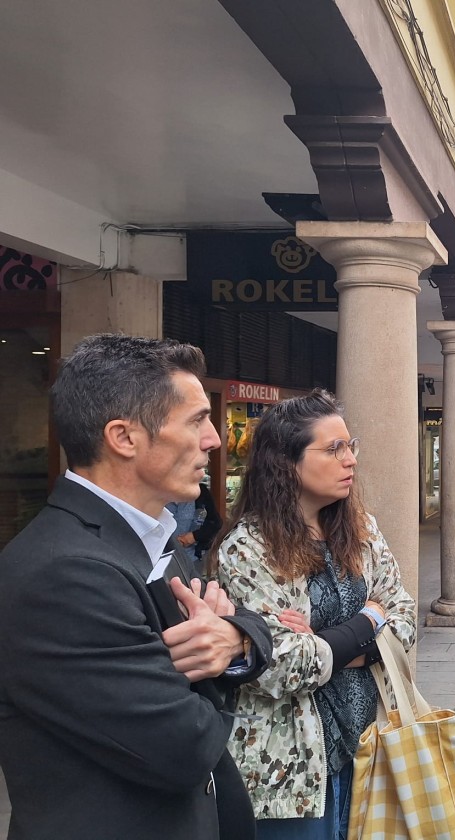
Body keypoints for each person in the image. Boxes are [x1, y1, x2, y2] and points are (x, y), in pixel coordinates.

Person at [0, 333, 272, 840]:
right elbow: (183, 746)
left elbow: (242, 623)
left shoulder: (153, 535)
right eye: (196, 420)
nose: (213, 440)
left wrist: (234, 641)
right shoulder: (65, 574)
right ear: (124, 437)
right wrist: (217, 662)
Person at [212, 389, 417, 839]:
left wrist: (326, 640)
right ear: (287, 463)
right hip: (293, 764)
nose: (350, 460)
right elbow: (281, 664)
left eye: (350, 446)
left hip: (371, 745)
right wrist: (367, 622)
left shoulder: (360, 529)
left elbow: (404, 615)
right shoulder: (247, 548)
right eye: (333, 449)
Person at [167, 480, 222, 562]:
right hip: (162, 558)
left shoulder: (201, 492)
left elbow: (216, 523)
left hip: (193, 557)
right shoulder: (157, 493)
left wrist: (194, 536)